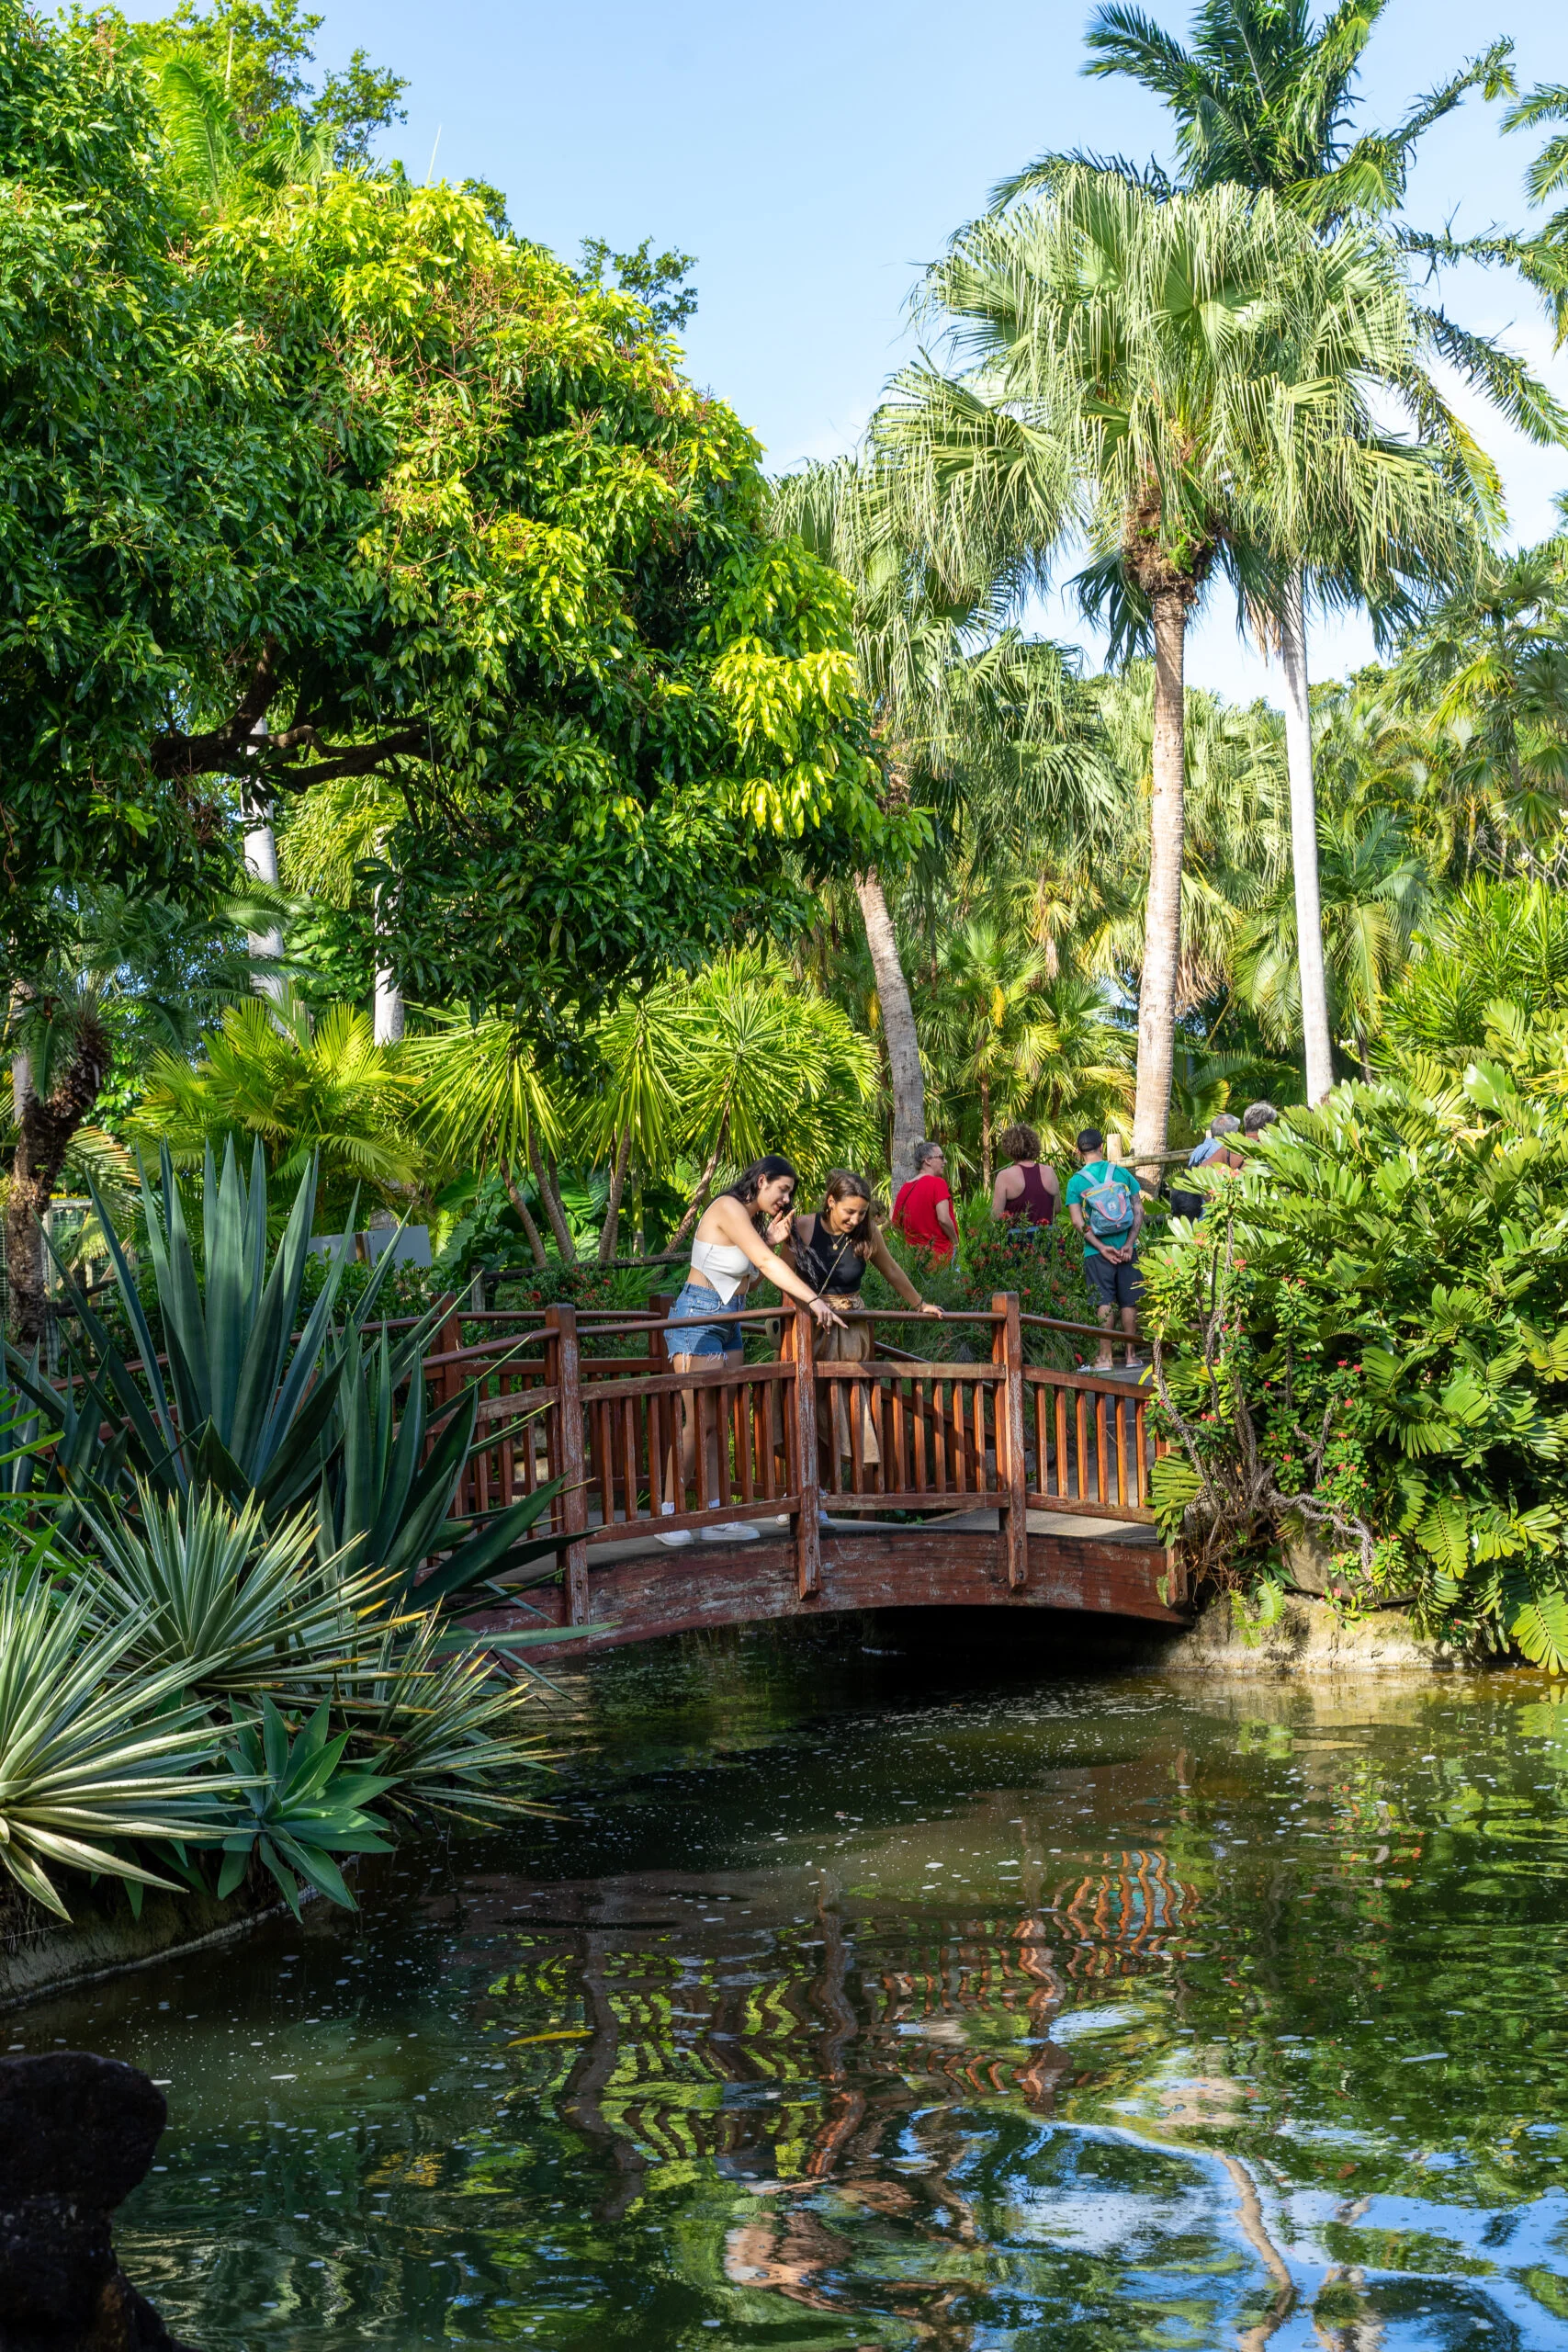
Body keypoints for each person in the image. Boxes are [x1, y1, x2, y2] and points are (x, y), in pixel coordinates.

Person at [658, 1157, 844, 1546]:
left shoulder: (751, 1221)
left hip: (730, 1320)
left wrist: (772, 1241)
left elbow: (749, 1282)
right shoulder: (727, 1207)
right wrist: (813, 1299)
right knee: (696, 1421)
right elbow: (761, 1262)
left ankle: (714, 1513)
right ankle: (669, 1514)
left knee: (716, 1423)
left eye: (790, 1192)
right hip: (698, 1318)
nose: (786, 1198)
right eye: (782, 1189)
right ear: (761, 1181)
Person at [786, 1170, 943, 1477]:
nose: (856, 1219)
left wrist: (919, 1303)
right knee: (804, 1406)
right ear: (831, 1202)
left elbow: (891, 1270)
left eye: (861, 1212)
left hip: (849, 1332)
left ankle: (823, 1491)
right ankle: (799, 1488)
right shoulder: (804, 1227)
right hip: (808, 1327)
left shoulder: (867, 1233)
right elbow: (782, 1274)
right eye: (849, 1212)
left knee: (840, 1408)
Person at [1065, 1126, 1145, 1372]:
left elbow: (1078, 1222)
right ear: (1102, 1147)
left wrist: (1102, 1248)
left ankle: (1105, 1358)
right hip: (1127, 1250)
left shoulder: (1076, 1182)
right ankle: (1131, 1357)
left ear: (1079, 1152)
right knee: (1128, 1302)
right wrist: (1129, 1244)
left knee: (1104, 1301)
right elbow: (1139, 1210)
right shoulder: (1121, 1173)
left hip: (1097, 1252)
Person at [891, 1139, 958, 1264]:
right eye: (941, 1157)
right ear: (927, 1160)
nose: (945, 1161)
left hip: (913, 1258)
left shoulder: (905, 1187)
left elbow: (896, 1223)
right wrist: (955, 1241)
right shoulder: (938, 1183)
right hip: (940, 1257)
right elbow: (943, 1218)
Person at [1168, 1113, 1242, 1222]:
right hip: (1206, 1204)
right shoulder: (1223, 1152)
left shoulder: (1200, 1148)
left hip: (1191, 1202)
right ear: (1231, 1134)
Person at [990, 1122, 1060, 1235]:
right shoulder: (1049, 1171)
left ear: (1009, 1148)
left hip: (1017, 1244)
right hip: (1047, 1239)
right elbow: (1057, 1209)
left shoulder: (1005, 1176)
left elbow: (996, 1216)